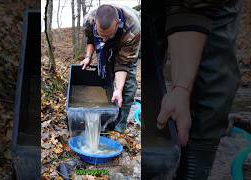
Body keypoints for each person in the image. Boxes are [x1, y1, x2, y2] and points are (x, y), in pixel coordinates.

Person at [154, 0, 242, 179]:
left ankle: (194, 168)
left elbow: (196, 6)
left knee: (212, 76)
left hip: (211, 5)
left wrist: (182, 88)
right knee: (152, 72)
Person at [80, 4, 141, 133]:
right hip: (106, 48)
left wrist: (119, 89)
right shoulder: (88, 21)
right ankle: (105, 120)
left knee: (127, 88)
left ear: (117, 23)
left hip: (126, 45)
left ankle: (118, 128)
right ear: (94, 23)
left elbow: (123, 63)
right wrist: (88, 56)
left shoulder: (133, 28)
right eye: (101, 35)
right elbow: (91, 40)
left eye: (108, 35)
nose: (104, 39)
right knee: (106, 78)